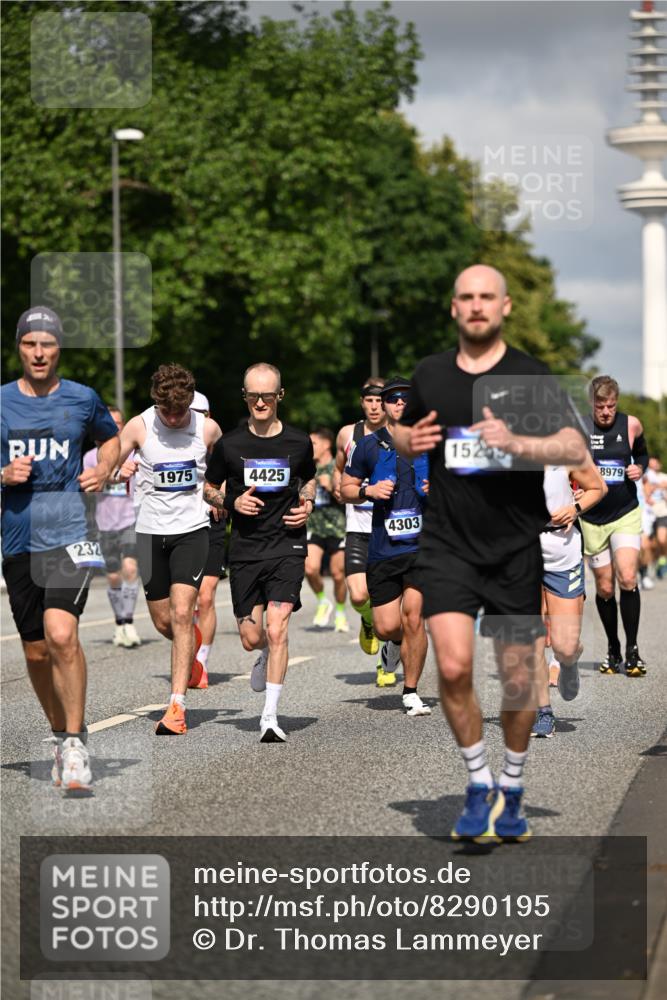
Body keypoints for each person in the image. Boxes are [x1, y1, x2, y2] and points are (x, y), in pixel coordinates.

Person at [395, 264, 587, 842]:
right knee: (452, 666)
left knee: (521, 681)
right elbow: (402, 434)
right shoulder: (430, 374)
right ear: (454, 308)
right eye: (466, 297)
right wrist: (412, 441)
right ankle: (478, 783)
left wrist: (520, 443)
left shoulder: (529, 375)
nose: (477, 306)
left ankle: (514, 784)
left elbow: (574, 445)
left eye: (487, 297)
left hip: (512, 545)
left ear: (504, 307)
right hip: (448, 541)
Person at [1, 306, 120, 791]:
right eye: (30, 344)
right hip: (18, 538)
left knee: (62, 634)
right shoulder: (3, 402)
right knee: (34, 652)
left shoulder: (82, 398)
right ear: (20, 348)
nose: (39, 352)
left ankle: (74, 745)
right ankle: (61, 734)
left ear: (58, 349)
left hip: (72, 532)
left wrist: (106, 468)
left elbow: (112, 440)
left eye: (47, 344)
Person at [205, 363, 316, 743]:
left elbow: (311, 479)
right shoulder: (230, 445)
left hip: (287, 543)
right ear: (245, 396)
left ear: (279, 396)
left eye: (267, 395)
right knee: (252, 637)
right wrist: (232, 502)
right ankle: (264, 653)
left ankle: (269, 716)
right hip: (246, 550)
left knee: (278, 625)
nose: (260, 402)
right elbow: (208, 488)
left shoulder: (299, 442)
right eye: (253, 395)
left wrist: (308, 503)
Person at [117, 365, 222, 734]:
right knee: (165, 621)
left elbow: (223, 468)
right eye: (169, 411)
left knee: (181, 613)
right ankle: (189, 651)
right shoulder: (139, 426)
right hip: (148, 534)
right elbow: (107, 465)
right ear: (156, 402)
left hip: (192, 531)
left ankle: (176, 706)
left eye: (181, 410)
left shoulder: (206, 428)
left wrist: (217, 495)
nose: (175, 418)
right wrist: (120, 471)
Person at [342, 377, 431, 715]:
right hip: (383, 547)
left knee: (414, 617)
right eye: (392, 399)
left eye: (406, 399)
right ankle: (391, 645)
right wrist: (368, 491)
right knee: (387, 626)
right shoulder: (367, 446)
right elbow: (344, 488)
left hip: (423, 547)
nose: (399, 404)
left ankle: (411, 691)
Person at [579, 376, 650, 677]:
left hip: (624, 512)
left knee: (628, 576)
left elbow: (643, 454)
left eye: (611, 405)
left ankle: (633, 651)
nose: (606, 412)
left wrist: (640, 467)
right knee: (605, 587)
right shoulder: (580, 428)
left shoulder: (631, 424)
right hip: (592, 518)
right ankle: (613, 648)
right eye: (600, 406)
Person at [531, 459, 606, 738]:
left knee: (563, 646)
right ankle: (544, 712)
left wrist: (575, 508)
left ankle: (569, 660)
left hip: (563, 555)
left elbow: (597, 487)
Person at [333, 378, 386, 659]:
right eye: (370, 401)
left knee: (388, 606)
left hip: (389, 530)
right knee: (358, 595)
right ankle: (368, 622)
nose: (375, 407)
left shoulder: (398, 434)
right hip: (357, 528)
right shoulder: (347, 434)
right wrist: (338, 486)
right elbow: (339, 468)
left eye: (380, 401)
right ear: (362, 402)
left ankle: (385, 657)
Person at [83, 406, 142, 648]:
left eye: (119, 423)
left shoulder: (133, 453)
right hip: (104, 523)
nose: (115, 427)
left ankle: (129, 621)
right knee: (114, 576)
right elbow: (88, 486)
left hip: (129, 518)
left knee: (130, 568)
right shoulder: (89, 456)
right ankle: (119, 623)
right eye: (111, 423)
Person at [189, 391, 227, 689]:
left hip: (211, 522)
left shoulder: (218, 444)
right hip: (179, 525)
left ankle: (201, 660)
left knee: (206, 595)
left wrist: (219, 497)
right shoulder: (172, 439)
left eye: (201, 414)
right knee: (183, 603)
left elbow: (230, 473)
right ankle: (187, 652)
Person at [305, 427, 348, 632]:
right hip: (315, 527)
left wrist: (330, 486)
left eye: (314, 443)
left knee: (338, 575)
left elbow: (347, 496)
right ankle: (323, 601)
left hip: (338, 527)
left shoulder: (336, 467)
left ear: (326, 445)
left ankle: (340, 612)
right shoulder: (308, 469)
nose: (310, 447)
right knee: (310, 568)